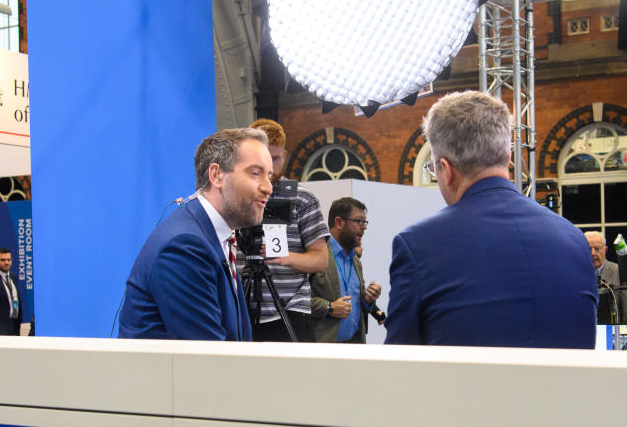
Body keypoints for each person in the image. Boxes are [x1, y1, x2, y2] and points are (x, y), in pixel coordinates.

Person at [385, 91, 597, 348]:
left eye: (433, 170)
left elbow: (397, 367)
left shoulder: (417, 246)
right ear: (508, 158)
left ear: (446, 169)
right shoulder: (575, 240)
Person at [118, 128, 272, 341]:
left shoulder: (215, 237)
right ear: (217, 175)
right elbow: (207, 361)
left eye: (269, 175)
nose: (268, 187)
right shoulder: (185, 246)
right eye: (255, 173)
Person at [247, 118, 329, 342]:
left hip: (291, 310)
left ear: (284, 155)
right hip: (242, 309)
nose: (270, 167)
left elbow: (321, 260)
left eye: (275, 158)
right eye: (264, 158)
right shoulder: (238, 200)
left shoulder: (302, 198)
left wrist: (286, 258)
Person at [310, 197, 383, 343]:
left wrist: (368, 300)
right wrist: (329, 308)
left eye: (365, 222)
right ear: (339, 222)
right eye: (359, 221)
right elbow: (295, 300)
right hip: (322, 352)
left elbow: (356, 303)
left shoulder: (354, 259)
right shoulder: (315, 253)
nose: (364, 227)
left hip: (353, 349)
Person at [585, 231, 627, 324]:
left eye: (597, 249)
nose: (593, 253)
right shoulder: (575, 274)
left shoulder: (620, 272)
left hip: (613, 334)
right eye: (589, 249)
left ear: (605, 250)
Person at [0, 247, 22, 336]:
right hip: (0, 327)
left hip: (14, 324)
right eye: (3, 260)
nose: (6, 263)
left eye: (9, 260)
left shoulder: (13, 277)